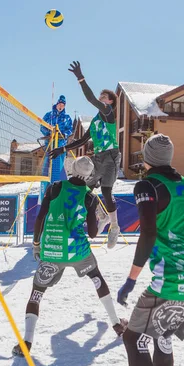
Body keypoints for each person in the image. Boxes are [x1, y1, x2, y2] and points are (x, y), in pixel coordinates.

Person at [116, 134, 184, 366]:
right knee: (161, 335)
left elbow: (149, 234)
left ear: (147, 157)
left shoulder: (147, 185)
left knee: (134, 339)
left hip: (175, 278)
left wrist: (131, 280)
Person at [11, 156, 128, 358]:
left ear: (72, 169)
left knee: (37, 293)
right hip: (77, 251)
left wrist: (36, 244)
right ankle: (116, 325)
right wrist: (103, 223)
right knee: (97, 279)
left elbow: (40, 218)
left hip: (51, 249)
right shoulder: (89, 197)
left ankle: (27, 341)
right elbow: (92, 233)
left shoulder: (54, 187)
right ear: (90, 175)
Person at [49, 61, 121, 248]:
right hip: (98, 157)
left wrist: (81, 78)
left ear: (110, 101)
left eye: (104, 97)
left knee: (106, 190)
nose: (100, 98)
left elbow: (91, 99)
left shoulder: (108, 113)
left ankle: (114, 227)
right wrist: (63, 148)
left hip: (111, 155)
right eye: (101, 96)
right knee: (85, 189)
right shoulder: (97, 120)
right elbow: (83, 140)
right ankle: (102, 215)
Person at [39, 95, 73, 204]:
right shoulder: (49, 115)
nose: (61, 106)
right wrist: (48, 132)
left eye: (63, 105)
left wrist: (64, 134)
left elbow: (70, 130)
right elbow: (42, 126)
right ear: (57, 104)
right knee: (47, 169)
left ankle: (60, 194)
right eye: (60, 104)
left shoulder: (67, 118)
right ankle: (44, 193)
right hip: (49, 145)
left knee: (59, 170)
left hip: (61, 147)